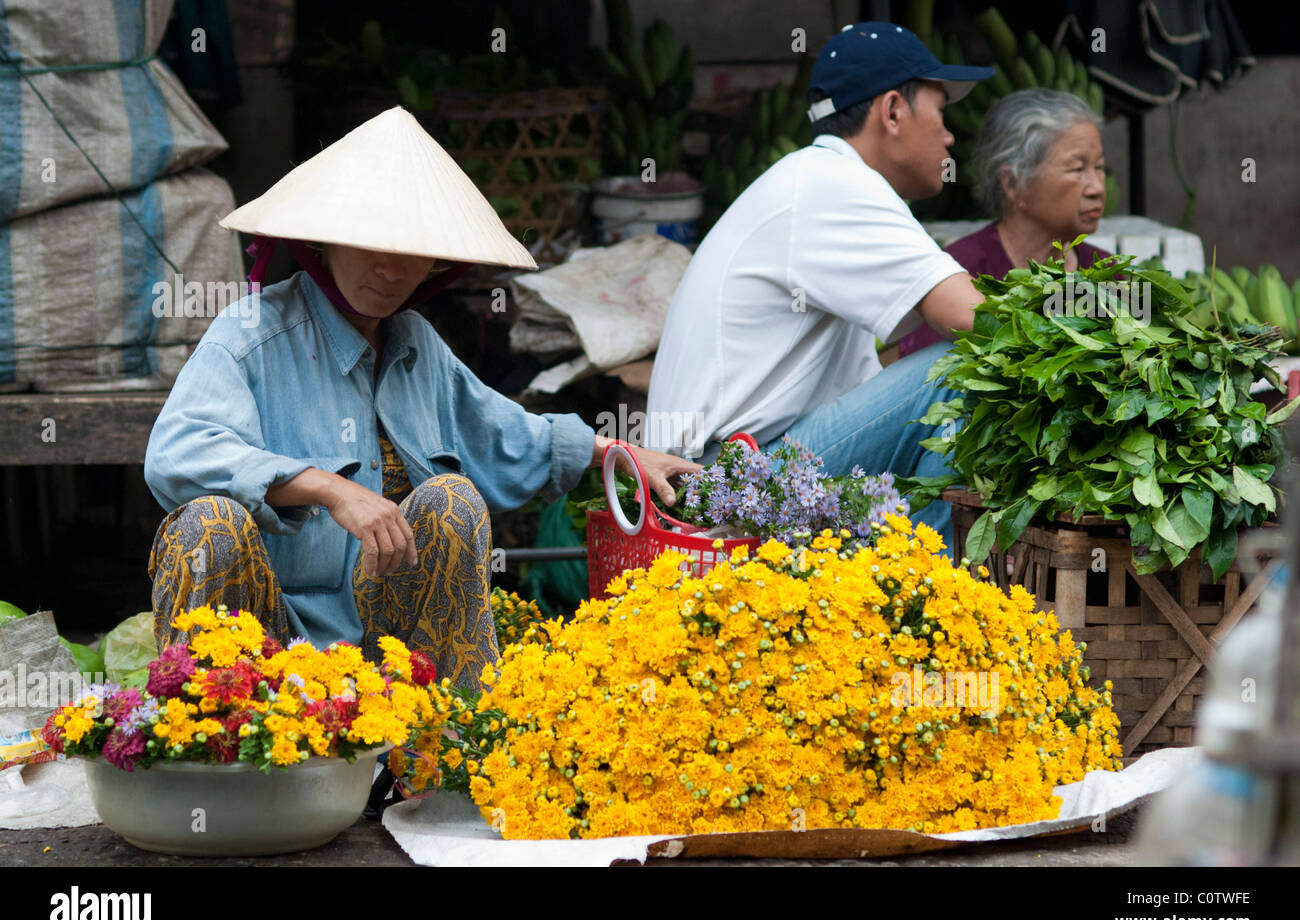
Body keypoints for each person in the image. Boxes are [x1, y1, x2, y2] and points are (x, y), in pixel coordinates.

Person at [144, 107, 698, 690]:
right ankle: (212, 750)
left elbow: (500, 431)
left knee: (451, 497)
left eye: (411, 252)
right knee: (208, 523)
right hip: (268, 640)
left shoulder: (415, 344)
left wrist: (621, 453)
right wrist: (330, 489)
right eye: (368, 247)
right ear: (324, 242)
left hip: (392, 650)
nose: (389, 271)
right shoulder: (251, 333)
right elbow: (178, 454)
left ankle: (447, 750)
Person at [645, 23, 994, 545]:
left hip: (726, 474)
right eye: (941, 112)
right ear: (894, 111)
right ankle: (931, 596)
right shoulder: (834, 184)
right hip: (722, 483)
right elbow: (973, 317)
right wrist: (1086, 329)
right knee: (958, 371)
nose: (948, 136)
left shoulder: (816, 180)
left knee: (943, 411)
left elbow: (868, 395)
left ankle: (913, 590)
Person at [898, 88, 1111, 357]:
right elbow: (928, 384)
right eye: (1077, 169)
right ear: (1012, 183)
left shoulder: (1112, 276)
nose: (1096, 188)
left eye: (1100, 167)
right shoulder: (955, 279)